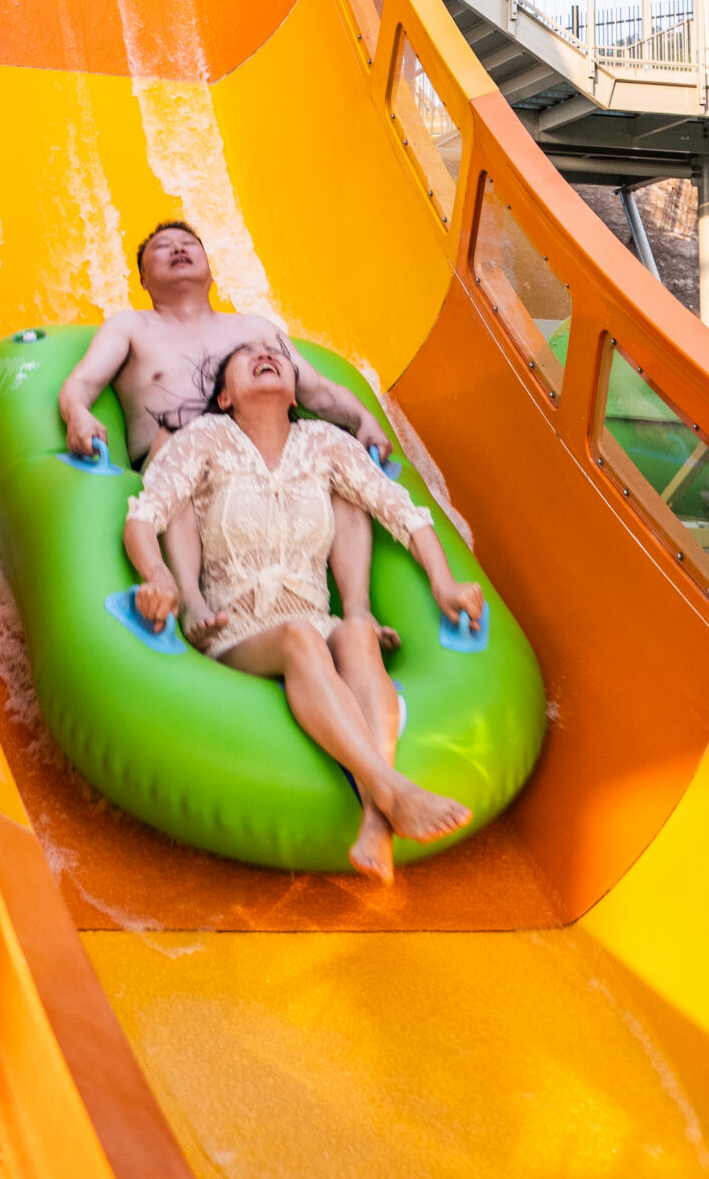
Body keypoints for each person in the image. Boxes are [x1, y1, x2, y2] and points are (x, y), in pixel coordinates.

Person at [123, 338, 481, 879]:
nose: (266, 355)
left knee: (356, 635)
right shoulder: (204, 439)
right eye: (247, 357)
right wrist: (160, 580)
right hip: (236, 625)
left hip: (318, 614)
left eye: (277, 355)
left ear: (295, 392)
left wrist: (444, 584)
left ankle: (377, 823)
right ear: (224, 397)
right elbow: (145, 516)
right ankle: (391, 792)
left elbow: (403, 513)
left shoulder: (325, 444)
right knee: (301, 637)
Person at [58, 222, 394, 650]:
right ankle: (191, 600)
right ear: (142, 279)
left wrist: (363, 418)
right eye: (163, 248)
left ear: (210, 269)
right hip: (183, 466)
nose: (178, 250)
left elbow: (318, 390)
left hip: (265, 461)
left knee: (342, 473)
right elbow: (81, 383)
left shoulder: (253, 330)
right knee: (172, 444)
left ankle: (357, 611)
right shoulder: (131, 327)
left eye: (188, 244)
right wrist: (78, 415)